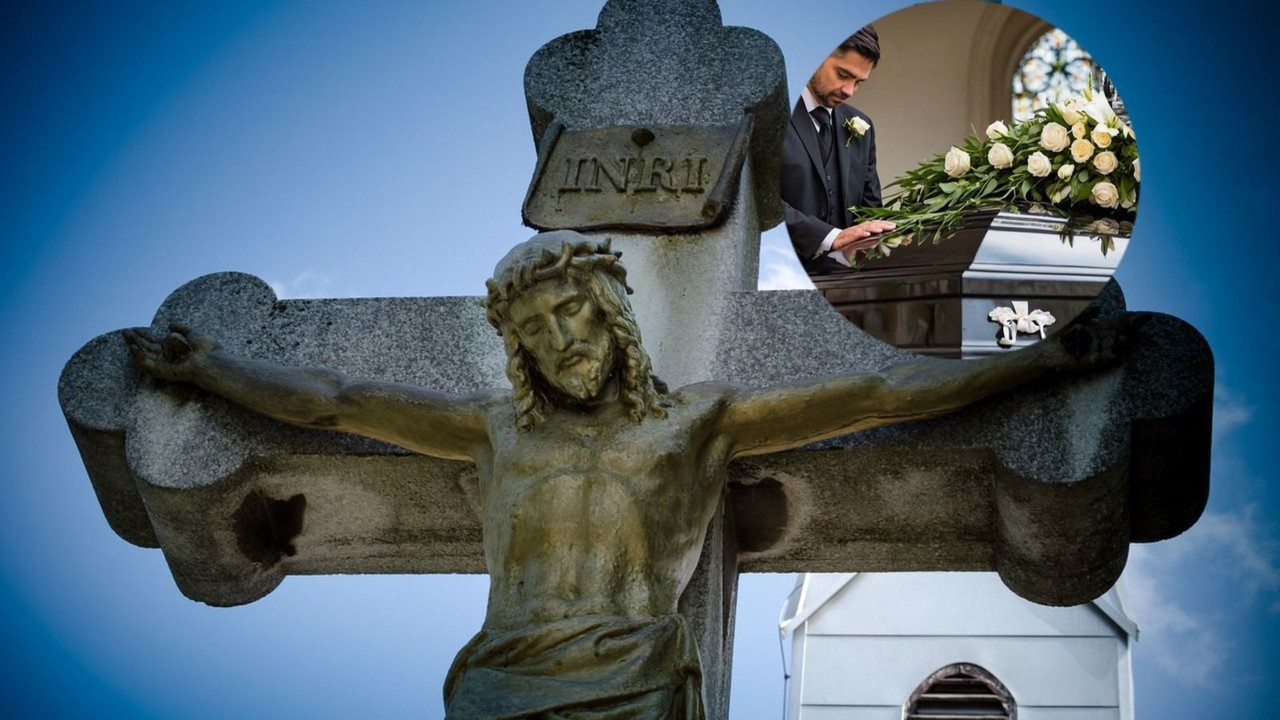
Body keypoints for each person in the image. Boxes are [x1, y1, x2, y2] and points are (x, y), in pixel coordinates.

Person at [124, 230, 1125, 719]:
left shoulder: (700, 424)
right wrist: (214, 370)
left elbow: (875, 397)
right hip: (502, 682)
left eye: (573, 313)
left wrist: (1029, 359)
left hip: (636, 679)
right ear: (516, 349)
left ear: (609, 310)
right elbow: (336, 400)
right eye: (536, 329)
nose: (562, 340)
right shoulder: (492, 434)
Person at [782, 26, 896, 274]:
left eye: (858, 82)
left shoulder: (862, 127)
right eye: (843, 74)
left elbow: (870, 210)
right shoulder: (772, 113)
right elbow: (754, 202)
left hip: (844, 288)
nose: (849, 91)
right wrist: (830, 237)